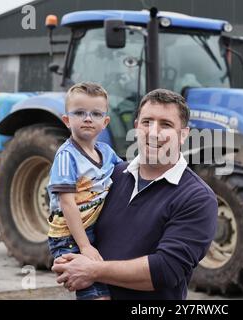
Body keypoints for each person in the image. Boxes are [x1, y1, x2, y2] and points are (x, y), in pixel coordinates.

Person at [52, 88, 218, 300]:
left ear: (183, 134)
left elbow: (165, 270)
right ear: (136, 127)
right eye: (147, 122)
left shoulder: (197, 198)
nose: (154, 132)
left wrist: (92, 270)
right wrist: (68, 260)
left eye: (165, 125)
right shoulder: (112, 176)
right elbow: (75, 219)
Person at [47, 82, 122, 300]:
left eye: (96, 114)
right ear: (67, 120)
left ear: (105, 122)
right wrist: (85, 246)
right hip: (70, 236)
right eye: (79, 113)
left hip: (95, 230)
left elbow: (127, 176)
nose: (88, 118)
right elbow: (67, 203)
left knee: (108, 289)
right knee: (94, 293)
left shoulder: (107, 153)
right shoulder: (66, 157)